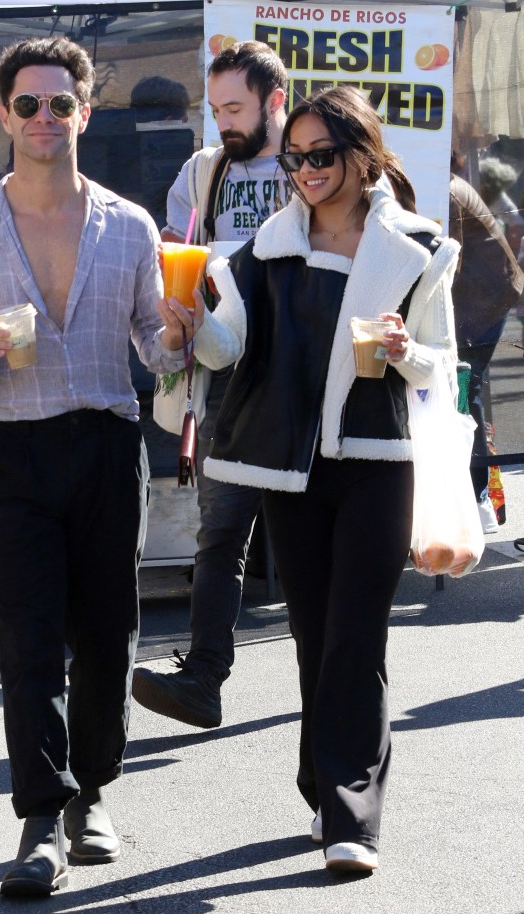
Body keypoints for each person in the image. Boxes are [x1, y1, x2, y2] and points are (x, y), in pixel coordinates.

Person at [0, 36, 191, 898]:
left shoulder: (129, 223)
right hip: (15, 446)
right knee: (27, 638)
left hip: (107, 442)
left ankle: (94, 793)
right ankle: (40, 817)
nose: (44, 119)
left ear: (85, 111)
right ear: (4, 116)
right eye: (27, 105)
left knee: (107, 633)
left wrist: (177, 334)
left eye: (59, 104)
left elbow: (152, 340)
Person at [180, 84, 460, 873]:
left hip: (378, 462)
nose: (304, 169)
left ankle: (351, 819)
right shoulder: (263, 251)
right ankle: (322, 787)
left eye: (321, 156)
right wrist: (193, 325)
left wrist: (406, 350)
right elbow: (226, 348)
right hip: (288, 469)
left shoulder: (421, 249)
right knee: (311, 635)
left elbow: (442, 363)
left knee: (355, 637)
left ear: (360, 154)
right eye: (295, 157)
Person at [131, 40, 292, 730]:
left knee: (314, 540)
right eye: (215, 106)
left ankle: (336, 681)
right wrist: (175, 294)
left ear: (275, 101)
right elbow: (173, 249)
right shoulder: (203, 170)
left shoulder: (308, 160)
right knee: (219, 534)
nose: (223, 120)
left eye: (236, 107)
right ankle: (202, 678)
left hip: (303, 379)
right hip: (226, 376)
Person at [448, 165, 524, 529]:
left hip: (485, 303)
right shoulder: (443, 184)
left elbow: (450, 262)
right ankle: (481, 500)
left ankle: (480, 499)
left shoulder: (444, 190)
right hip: (481, 300)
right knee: (464, 391)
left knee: (465, 391)